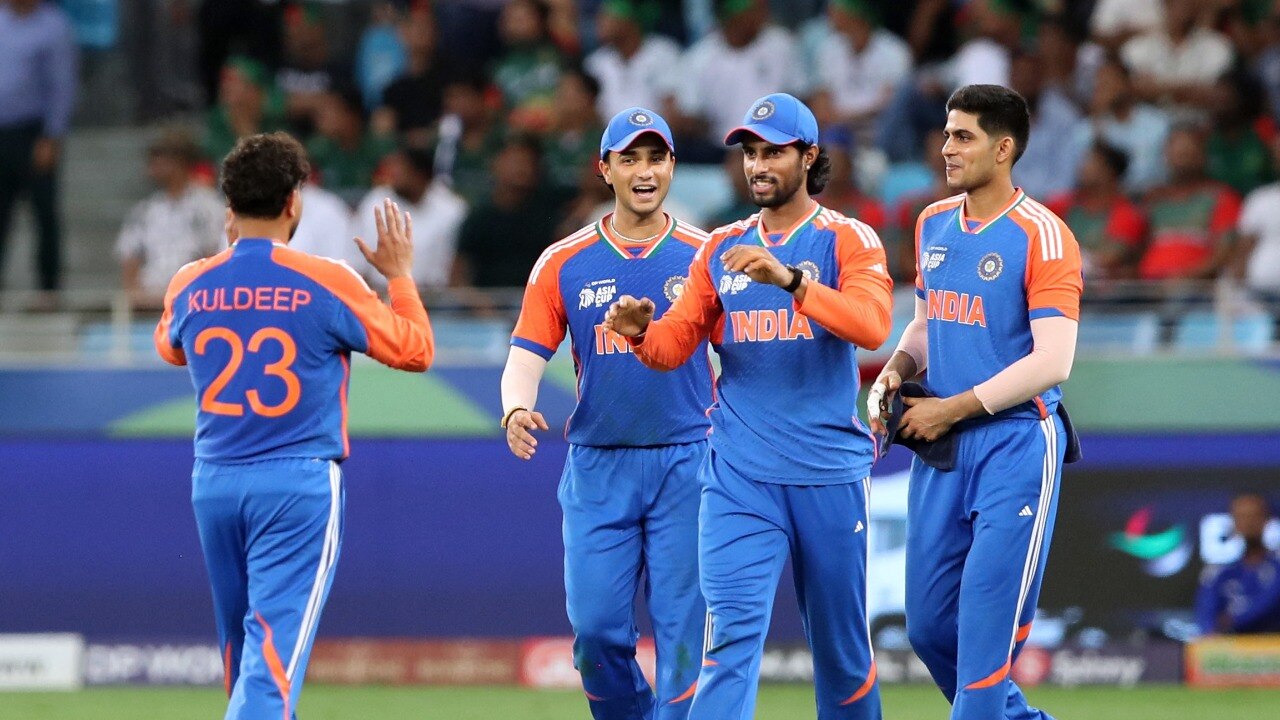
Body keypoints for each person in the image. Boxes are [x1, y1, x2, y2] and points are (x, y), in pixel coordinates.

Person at [604, 93, 891, 720]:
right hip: (738, 477)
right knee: (729, 639)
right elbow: (673, 346)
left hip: (827, 474)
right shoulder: (721, 248)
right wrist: (637, 334)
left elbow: (872, 327)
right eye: (751, 153)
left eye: (774, 152)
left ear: (809, 157)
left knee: (841, 652)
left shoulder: (847, 239)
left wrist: (790, 281)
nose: (758, 165)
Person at [154, 132, 433, 720]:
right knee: (273, 655)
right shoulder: (327, 280)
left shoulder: (189, 284)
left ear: (228, 207)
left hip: (215, 482)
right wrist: (401, 277)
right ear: (294, 203)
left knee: (243, 650)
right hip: (296, 483)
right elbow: (414, 350)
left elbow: (171, 348)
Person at [869, 84, 1082, 720]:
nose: (947, 147)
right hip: (944, 450)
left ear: (1004, 147)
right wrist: (897, 370)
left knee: (984, 652)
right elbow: (926, 324)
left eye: (964, 136)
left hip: (1016, 443)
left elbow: (1053, 361)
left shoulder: (1044, 236)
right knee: (932, 631)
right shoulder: (933, 222)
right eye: (946, 133)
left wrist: (951, 407)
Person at [502, 107, 711, 720]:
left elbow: (747, 346)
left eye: (656, 158)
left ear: (672, 166)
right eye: (630, 159)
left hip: (689, 464)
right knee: (596, 636)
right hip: (598, 467)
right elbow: (525, 354)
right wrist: (517, 406)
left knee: (683, 644)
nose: (644, 172)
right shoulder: (564, 260)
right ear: (605, 169)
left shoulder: (708, 253)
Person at [0, 0, 77, 305]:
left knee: (44, 212)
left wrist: (52, 135)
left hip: (34, 133)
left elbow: (62, 84)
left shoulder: (53, 27)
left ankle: (48, 288)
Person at [117, 130, 226, 309]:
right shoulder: (145, 210)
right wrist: (134, 296)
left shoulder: (209, 206)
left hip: (193, 302)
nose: (152, 167)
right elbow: (130, 259)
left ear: (180, 162)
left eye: (160, 160)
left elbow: (216, 256)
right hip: (149, 303)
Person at [350, 144, 467, 289]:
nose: (393, 173)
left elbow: (456, 267)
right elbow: (359, 262)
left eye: (401, 168)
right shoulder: (375, 201)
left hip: (435, 298)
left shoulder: (451, 208)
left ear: (420, 174)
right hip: (381, 294)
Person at [1047, 143, 1147, 281]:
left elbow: (1109, 257)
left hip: (1102, 292)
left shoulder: (1128, 214)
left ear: (1109, 172)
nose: (1083, 167)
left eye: (1091, 162)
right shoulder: (1061, 205)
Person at [1196, 494, 1280, 635]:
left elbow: (1269, 603)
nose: (1248, 523)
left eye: (1254, 516)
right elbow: (1205, 613)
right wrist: (1210, 631)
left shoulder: (1276, 567)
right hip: (1231, 648)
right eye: (1241, 516)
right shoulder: (1219, 572)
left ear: (1267, 519)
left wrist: (1233, 621)